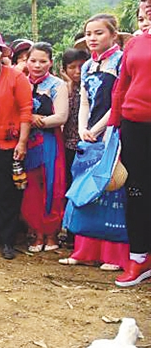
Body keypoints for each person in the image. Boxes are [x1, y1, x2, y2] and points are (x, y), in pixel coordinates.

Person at [61, 14, 129, 272]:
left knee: (113, 190)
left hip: (114, 135)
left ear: (113, 35)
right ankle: (85, 251)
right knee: (86, 191)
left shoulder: (122, 61)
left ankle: (115, 255)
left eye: (98, 33)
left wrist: (99, 128)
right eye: (89, 33)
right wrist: (81, 128)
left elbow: (119, 101)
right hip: (89, 136)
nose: (92, 38)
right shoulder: (88, 65)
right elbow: (85, 100)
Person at [109, 0, 151, 287]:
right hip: (134, 126)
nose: (146, 4)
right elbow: (121, 86)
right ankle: (139, 258)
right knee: (136, 191)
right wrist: (113, 126)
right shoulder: (135, 43)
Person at [20, 43, 68, 253]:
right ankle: (36, 233)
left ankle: (51, 234)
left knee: (51, 185)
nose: (37, 65)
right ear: (26, 61)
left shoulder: (57, 85)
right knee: (31, 188)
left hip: (49, 141)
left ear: (51, 62)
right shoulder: (21, 83)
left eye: (42, 61)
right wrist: (29, 118)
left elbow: (61, 117)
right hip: (25, 142)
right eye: (33, 60)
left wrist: (33, 120)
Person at [0, 31, 32, 260]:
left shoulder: (15, 77)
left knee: (8, 192)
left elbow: (26, 110)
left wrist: (22, 142)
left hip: (9, 143)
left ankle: (7, 239)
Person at [60, 47, 90, 186]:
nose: (78, 71)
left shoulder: (92, 85)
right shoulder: (61, 88)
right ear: (64, 69)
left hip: (89, 142)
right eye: (72, 67)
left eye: (81, 66)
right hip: (68, 145)